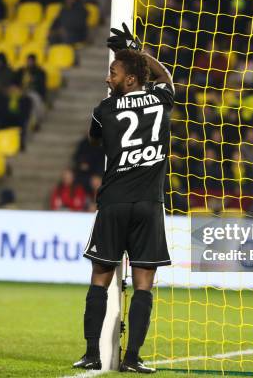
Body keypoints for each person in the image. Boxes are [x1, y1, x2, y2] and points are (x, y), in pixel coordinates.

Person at [73, 24, 174, 374]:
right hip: (149, 204)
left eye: (113, 72)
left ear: (129, 80)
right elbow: (166, 77)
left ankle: (92, 354)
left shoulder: (105, 109)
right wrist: (135, 50)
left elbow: (94, 139)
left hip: (114, 202)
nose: (107, 78)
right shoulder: (161, 100)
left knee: (100, 276)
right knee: (144, 282)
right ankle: (132, 359)